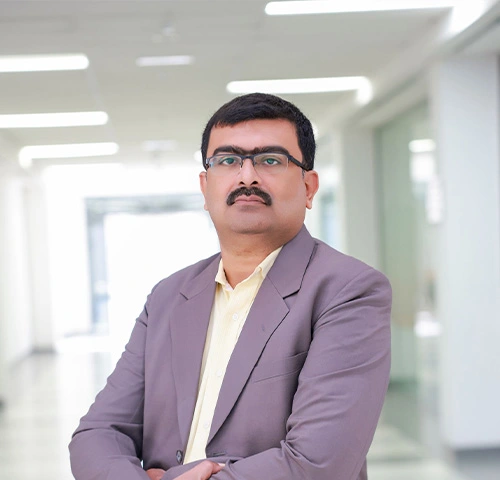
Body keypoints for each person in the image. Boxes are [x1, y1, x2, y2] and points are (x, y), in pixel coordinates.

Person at [69, 93, 392, 480]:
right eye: (227, 160)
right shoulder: (168, 296)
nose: (247, 176)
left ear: (309, 187)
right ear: (205, 187)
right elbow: (97, 434)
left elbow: (318, 463)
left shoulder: (348, 291)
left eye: (270, 160)